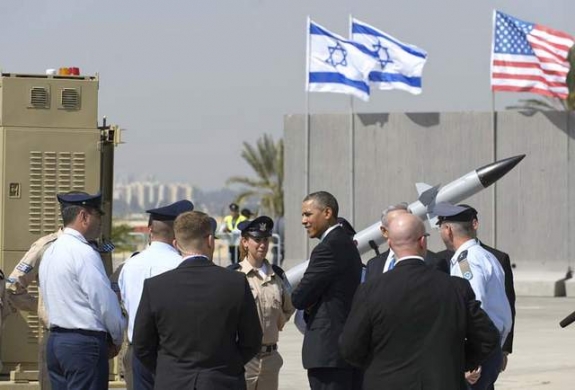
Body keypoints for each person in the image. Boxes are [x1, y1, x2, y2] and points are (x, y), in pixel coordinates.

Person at [339, 213, 500, 390]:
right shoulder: (456, 287)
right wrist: (457, 362)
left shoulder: (370, 290)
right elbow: (487, 337)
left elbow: (349, 348)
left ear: (391, 244)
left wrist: (378, 366)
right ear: (423, 242)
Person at [132, 211, 262, 390]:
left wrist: (169, 371)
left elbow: (141, 346)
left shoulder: (155, 287)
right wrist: (229, 366)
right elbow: (253, 340)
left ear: (176, 244)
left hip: (172, 382)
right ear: (210, 240)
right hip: (223, 381)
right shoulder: (236, 283)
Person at [39, 191, 126, 390]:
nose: (101, 221)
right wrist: (117, 336)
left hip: (57, 341)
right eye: (98, 215)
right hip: (83, 344)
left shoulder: (51, 250)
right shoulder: (84, 252)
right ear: (84, 216)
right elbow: (103, 302)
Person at [434, 202, 513, 390]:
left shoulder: (466, 262)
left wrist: (471, 358)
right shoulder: (486, 256)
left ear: (448, 230)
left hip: (477, 354)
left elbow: (473, 309)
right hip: (489, 348)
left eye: (440, 227)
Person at [118, 199, 194, 390]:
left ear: (150, 230)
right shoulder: (181, 265)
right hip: (172, 354)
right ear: (177, 231)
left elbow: (123, 305)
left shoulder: (129, 266)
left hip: (137, 351)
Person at [291, 191, 363, 390]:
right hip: (344, 350)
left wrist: (307, 300)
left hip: (329, 353)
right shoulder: (346, 243)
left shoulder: (327, 248)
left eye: (308, 214)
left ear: (327, 212)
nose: (303, 221)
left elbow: (299, 298)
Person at [229, 216, 295, 390]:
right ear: (244, 242)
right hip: (243, 359)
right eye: (257, 240)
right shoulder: (233, 275)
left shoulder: (279, 275)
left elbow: (289, 306)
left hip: (271, 359)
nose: (263, 244)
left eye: (266, 239)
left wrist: (276, 322)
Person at [4, 228, 62, 390]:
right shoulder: (46, 246)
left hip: (91, 342)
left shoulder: (94, 248)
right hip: (55, 336)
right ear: (82, 215)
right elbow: (12, 288)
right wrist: (45, 306)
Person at [364, 203, 448, 281]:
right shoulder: (373, 265)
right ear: (384, 231)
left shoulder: (435, 262)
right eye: (397, 224)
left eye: (408, 222)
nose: (403, 226)